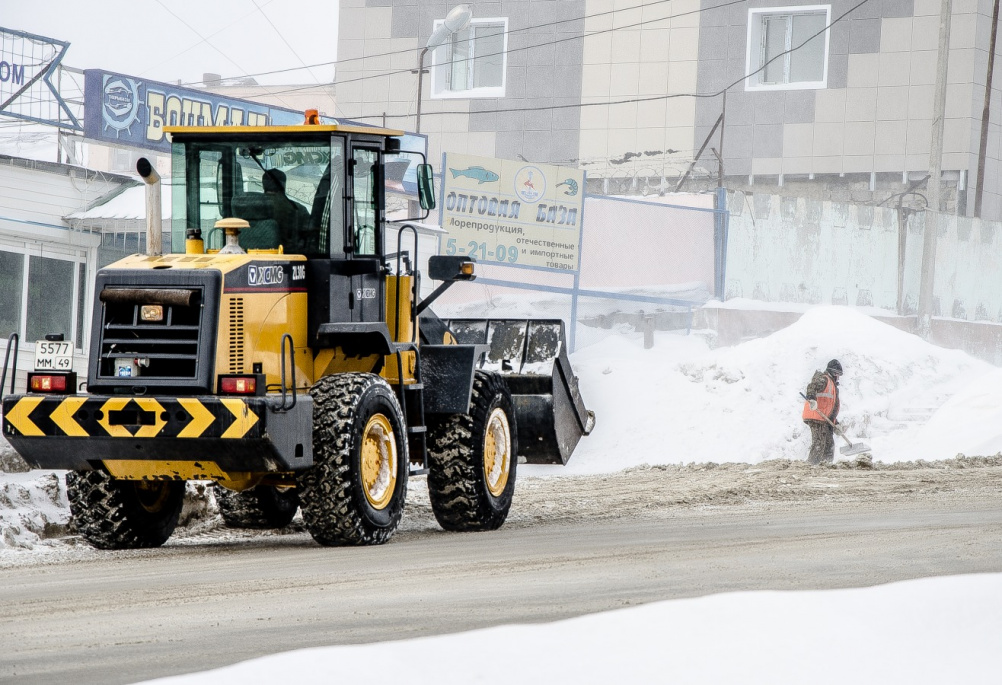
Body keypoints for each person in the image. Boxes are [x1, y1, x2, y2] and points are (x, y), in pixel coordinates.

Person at [802, 359, 842, 465]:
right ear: (832, 372)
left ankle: (826, 467)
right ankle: (810, 466)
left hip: (824, 419)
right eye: (837, 374)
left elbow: (831, 408)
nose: (838, 377)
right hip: (816, 416)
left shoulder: (833, 387)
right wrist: (812, 399)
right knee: (819, 444)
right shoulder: (824, 379)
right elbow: (812, 386)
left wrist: (835, 424)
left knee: (829, 445)